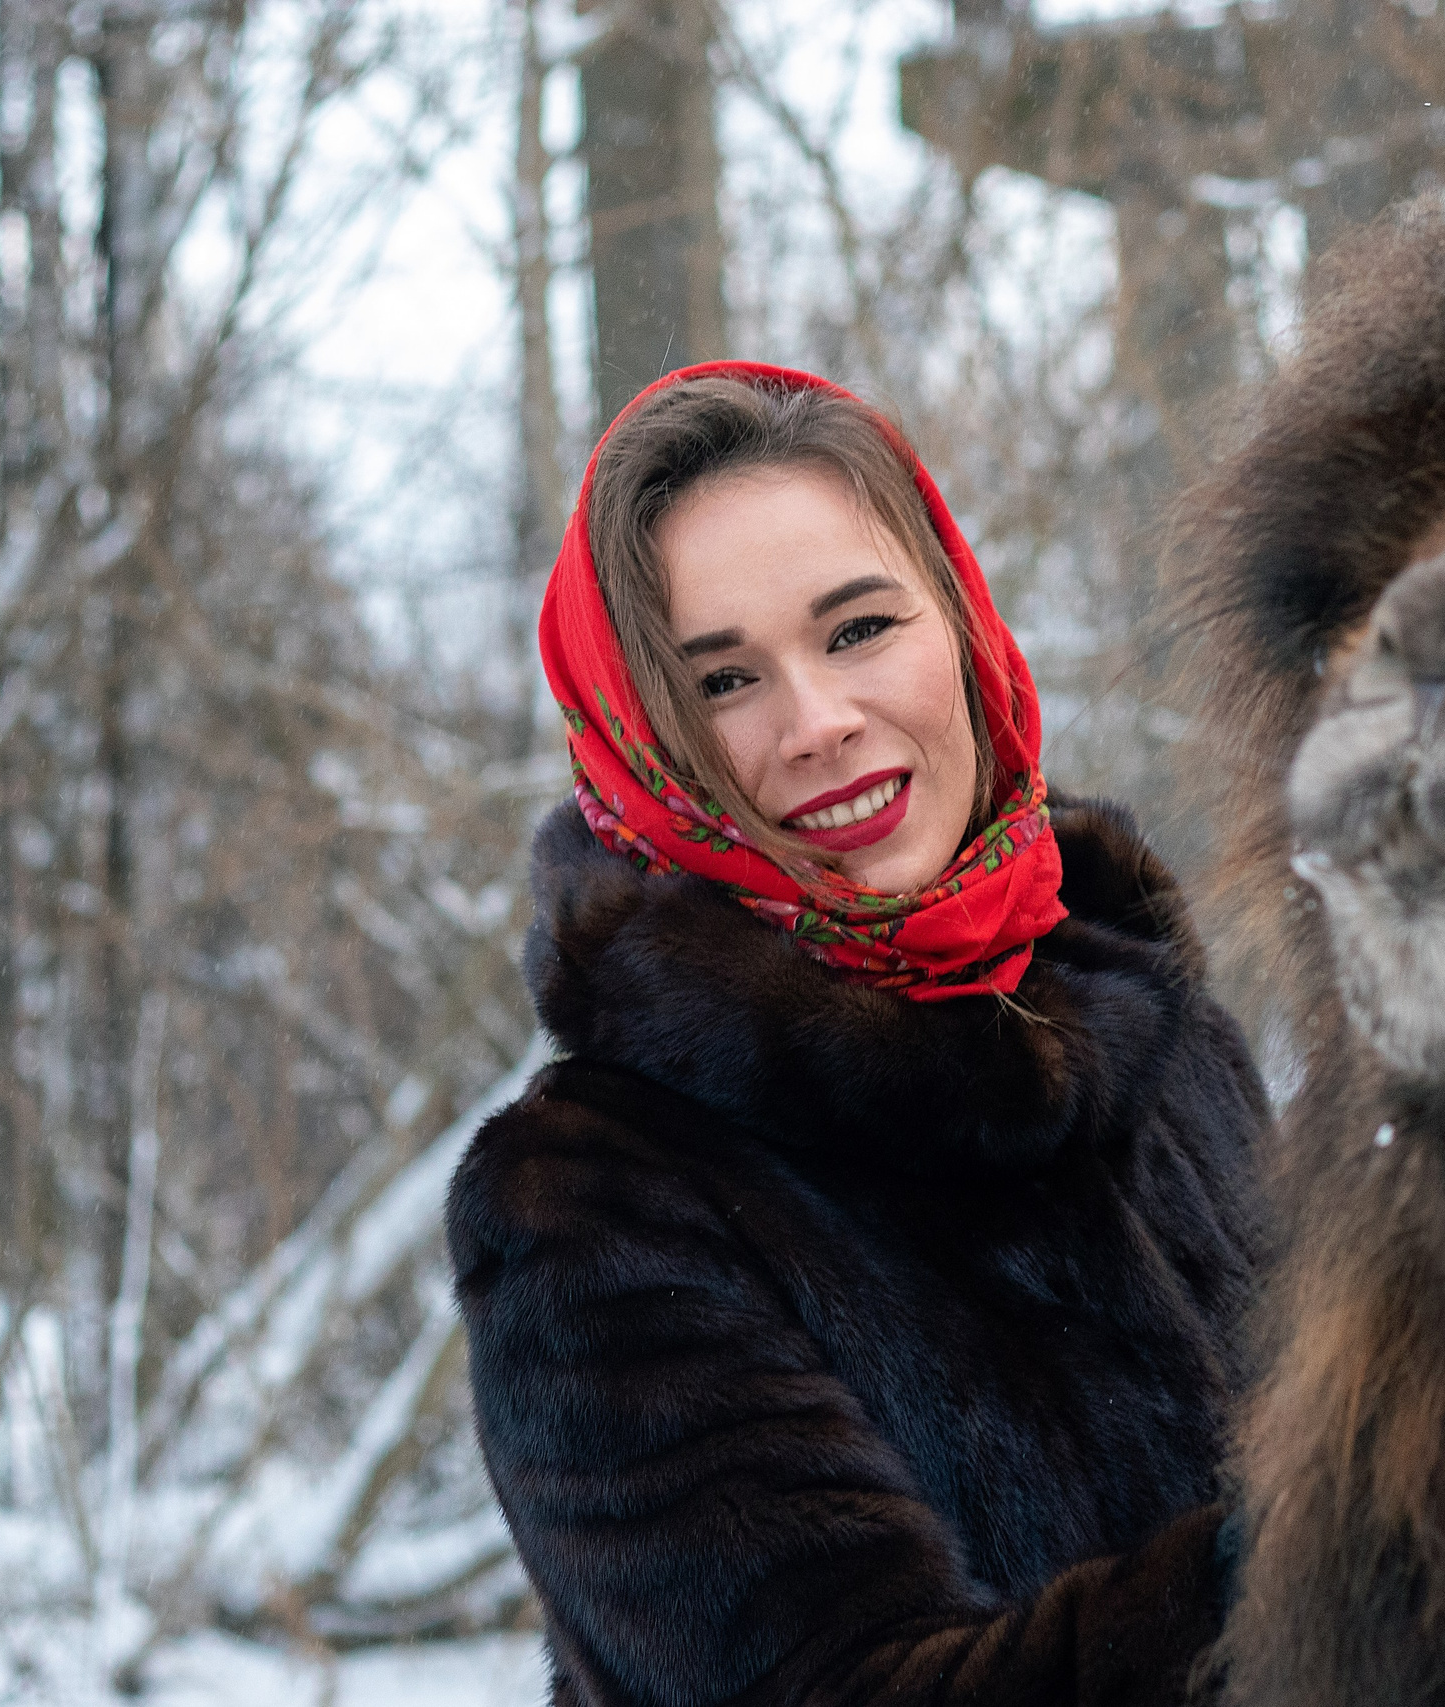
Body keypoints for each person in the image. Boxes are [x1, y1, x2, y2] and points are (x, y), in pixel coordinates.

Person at [448, 361, 1266, 1707]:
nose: (818, 724)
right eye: (721, 680)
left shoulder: (1153, 1031)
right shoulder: (591, 1200)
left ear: (960, 624)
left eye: (858, 628)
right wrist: (1334, 1559)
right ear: (642, 750)